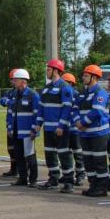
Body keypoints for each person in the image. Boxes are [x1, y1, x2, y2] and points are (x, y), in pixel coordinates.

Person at [36, 59, 76, 193]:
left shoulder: (65, 87)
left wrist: (61, 126)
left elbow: (67, 108)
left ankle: (69, 181)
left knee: (64, 155)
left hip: (60, 129)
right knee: (50, 154)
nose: (47, 71)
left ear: (56, 71)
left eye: (48, 69)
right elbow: (41, 108)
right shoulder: (46, 89)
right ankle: (53, 179)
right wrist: (38, 124)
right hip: (48, 128)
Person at [73, 65, 110, 197]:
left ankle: (102, 188)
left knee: (99, 161)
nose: (83, 78)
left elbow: (97, 111)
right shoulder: (83, 93)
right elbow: (75, 108)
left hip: (98, 134)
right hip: (85, 133)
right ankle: (93, 185)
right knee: (88, 161)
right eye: (83, 75)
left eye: (86, 76)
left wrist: (82, 123)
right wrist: (77, 121)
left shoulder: (100, 92)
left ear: (94, 77)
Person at [7, 69, 40, 187]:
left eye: (16, 80)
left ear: (23, 81)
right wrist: (10, 127)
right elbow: (10, 112)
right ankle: (22, 178)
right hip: (16, 131)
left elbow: (37, 114)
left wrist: (33, 130)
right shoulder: (15, 94)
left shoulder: (33, 95)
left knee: (30, 156)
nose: (14, 82)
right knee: (19, 155)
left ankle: (33, 179)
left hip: (27, 132)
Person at [62, 72, 86, 186]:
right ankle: (68, 174)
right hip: (65, 128)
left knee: (78, 153)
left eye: (65, 81)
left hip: (75, 129)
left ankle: (80, 175)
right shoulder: (63, 94)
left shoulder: (77, 95)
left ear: (71, 83)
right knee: (66, 153)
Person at [0, 69, 19, 177]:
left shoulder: (23, 92)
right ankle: (13, 168)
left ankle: (23, 169)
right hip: (10, 124)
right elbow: (2, 101)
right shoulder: (10, 92)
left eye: (13, 79)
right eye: (12, 79)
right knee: (11, 148)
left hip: (19, 125)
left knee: (19, 148)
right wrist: (10, 101)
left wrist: (10, 102)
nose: (12, 81)